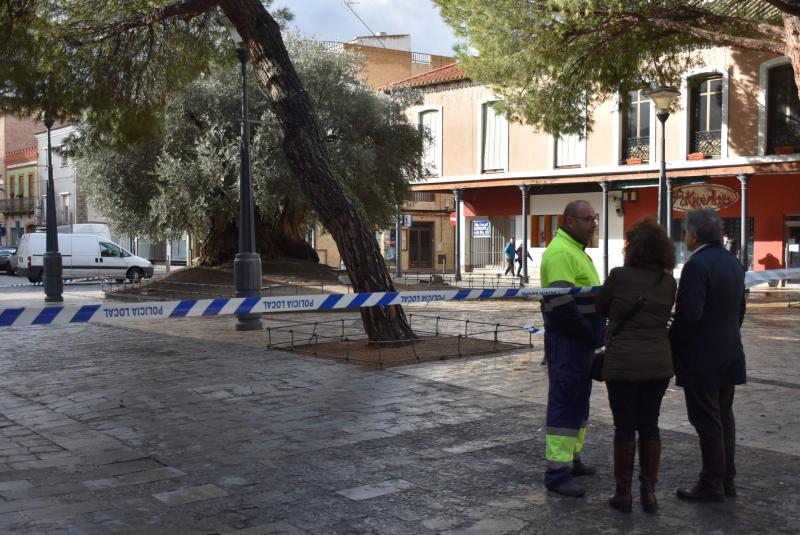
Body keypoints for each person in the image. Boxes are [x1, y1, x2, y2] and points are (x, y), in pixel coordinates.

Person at [595, 218, 677, 513]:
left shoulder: (618, 276)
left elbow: (600, 306)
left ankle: (623, 493)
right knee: (650, 424)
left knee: (624, 426)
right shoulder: (668, 283)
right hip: (657, 364)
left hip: (622, 364)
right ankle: (649, 493)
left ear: (634, 249)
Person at [670, 208, 747, 502]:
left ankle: (712, 483)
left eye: (685, 232)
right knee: (724, 418)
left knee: (707, 421)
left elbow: (689, 316)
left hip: (702, 357)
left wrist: (674, 343)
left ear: (693, 235)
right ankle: (727, 479)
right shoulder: (733, 262)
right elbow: (740, 310)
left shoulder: (696, 265)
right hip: (729, 351)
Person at [540, 200, 604, 497]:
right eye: (588, 219)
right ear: (569, 222)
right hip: (568, 341)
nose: (593, 224)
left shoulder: (575, 251)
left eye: (595, 218)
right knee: (565, 401)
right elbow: (561, 305)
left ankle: (572, 458)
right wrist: (589, 335)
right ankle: (557, 472)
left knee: (579, 401)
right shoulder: (561, 253)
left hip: (579, 342)